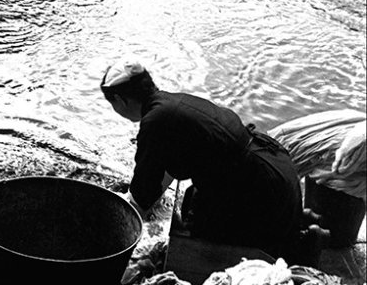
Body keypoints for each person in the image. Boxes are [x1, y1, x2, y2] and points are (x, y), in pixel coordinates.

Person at [100, 58, 303, 259]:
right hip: (277, 173)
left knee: (196, 238)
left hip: (262, 193)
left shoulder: (154, 122)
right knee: (192, 203)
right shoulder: (174, 103)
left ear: (120, 100)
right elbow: (164, 169)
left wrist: (123, 226)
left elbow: (143, 189)